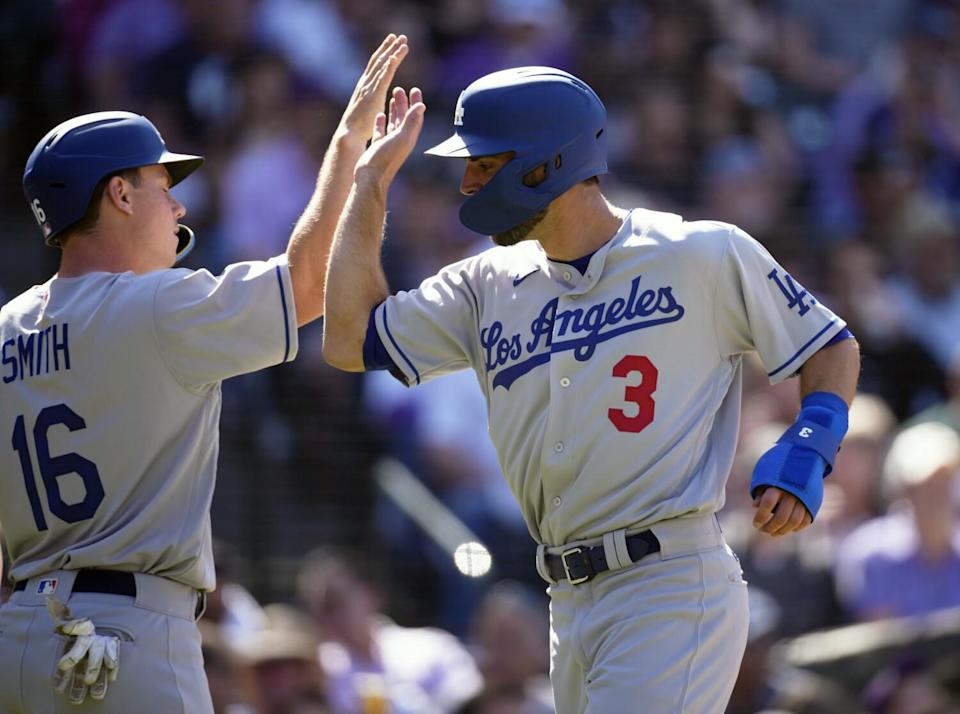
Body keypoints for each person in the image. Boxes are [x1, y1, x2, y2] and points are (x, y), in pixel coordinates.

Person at [322, 64, 861, 714]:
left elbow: (831, 345)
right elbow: (349, 340)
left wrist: (810, 444)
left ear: (546, 163)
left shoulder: (701, 254)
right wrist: (368, 185)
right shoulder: (481, 284)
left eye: (484, 165)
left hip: (667, 583)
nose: (466, 184)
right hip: (566, 597)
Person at [0, 34, 410, 713]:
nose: (181, 206)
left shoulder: (7, 327)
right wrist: (348, 154)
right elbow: (309, 286)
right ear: (121, 194)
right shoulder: (156, 305)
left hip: (19, 639)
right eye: (165, 185)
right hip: (126, 638)